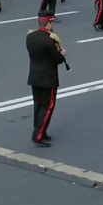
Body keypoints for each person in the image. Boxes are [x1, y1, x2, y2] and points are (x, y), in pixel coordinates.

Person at [26, 10, 68, 148]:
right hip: (48, 79)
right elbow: (57, 59)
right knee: (48, 107)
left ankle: (41, 131)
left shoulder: (30, 37)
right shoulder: (50, 39)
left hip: (34, 77)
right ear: (49, 22)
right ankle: (38, 136)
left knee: (38, 106)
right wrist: (62, 54)